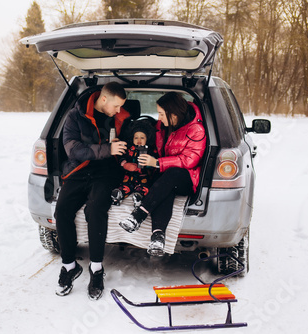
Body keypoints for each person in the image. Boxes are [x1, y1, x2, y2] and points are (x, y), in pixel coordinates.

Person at [54, 82, 130, 300]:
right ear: (103, 99)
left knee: (96, 209)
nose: (118, 110)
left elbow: (134, 137)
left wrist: (124, 145)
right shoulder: (74, 116)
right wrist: (108, 148)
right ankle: (69, 266)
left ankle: (96, 269)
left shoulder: (120, 117)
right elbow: (73, 150)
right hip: (79, 170)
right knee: (62, 210)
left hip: (106, 172)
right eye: (116, 106)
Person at [119, 92, 207, 256]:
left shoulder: (196, 130)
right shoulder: (163, 125)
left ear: (173, 114)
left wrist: (157, 163)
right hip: (167, 175)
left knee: (171, 175)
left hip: (188, 177)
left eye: (161, 113)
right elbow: (148, 135)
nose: (158, 117)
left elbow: (189, 161)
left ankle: (138, 215)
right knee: (164, 186)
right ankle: (157, 237)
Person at [111, 119, 158, 208]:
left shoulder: (151, 150)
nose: (139, 140)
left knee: (145, 187)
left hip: (144, 177)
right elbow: (121, 159)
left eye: (142, 137)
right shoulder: (129, 149)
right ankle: (118, 194)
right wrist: (125, 165)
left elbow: (155, 164)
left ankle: (138, 197)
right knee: (125, 185)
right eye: (136, 137)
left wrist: (148, 164)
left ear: (147, 139)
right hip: (129, 175)